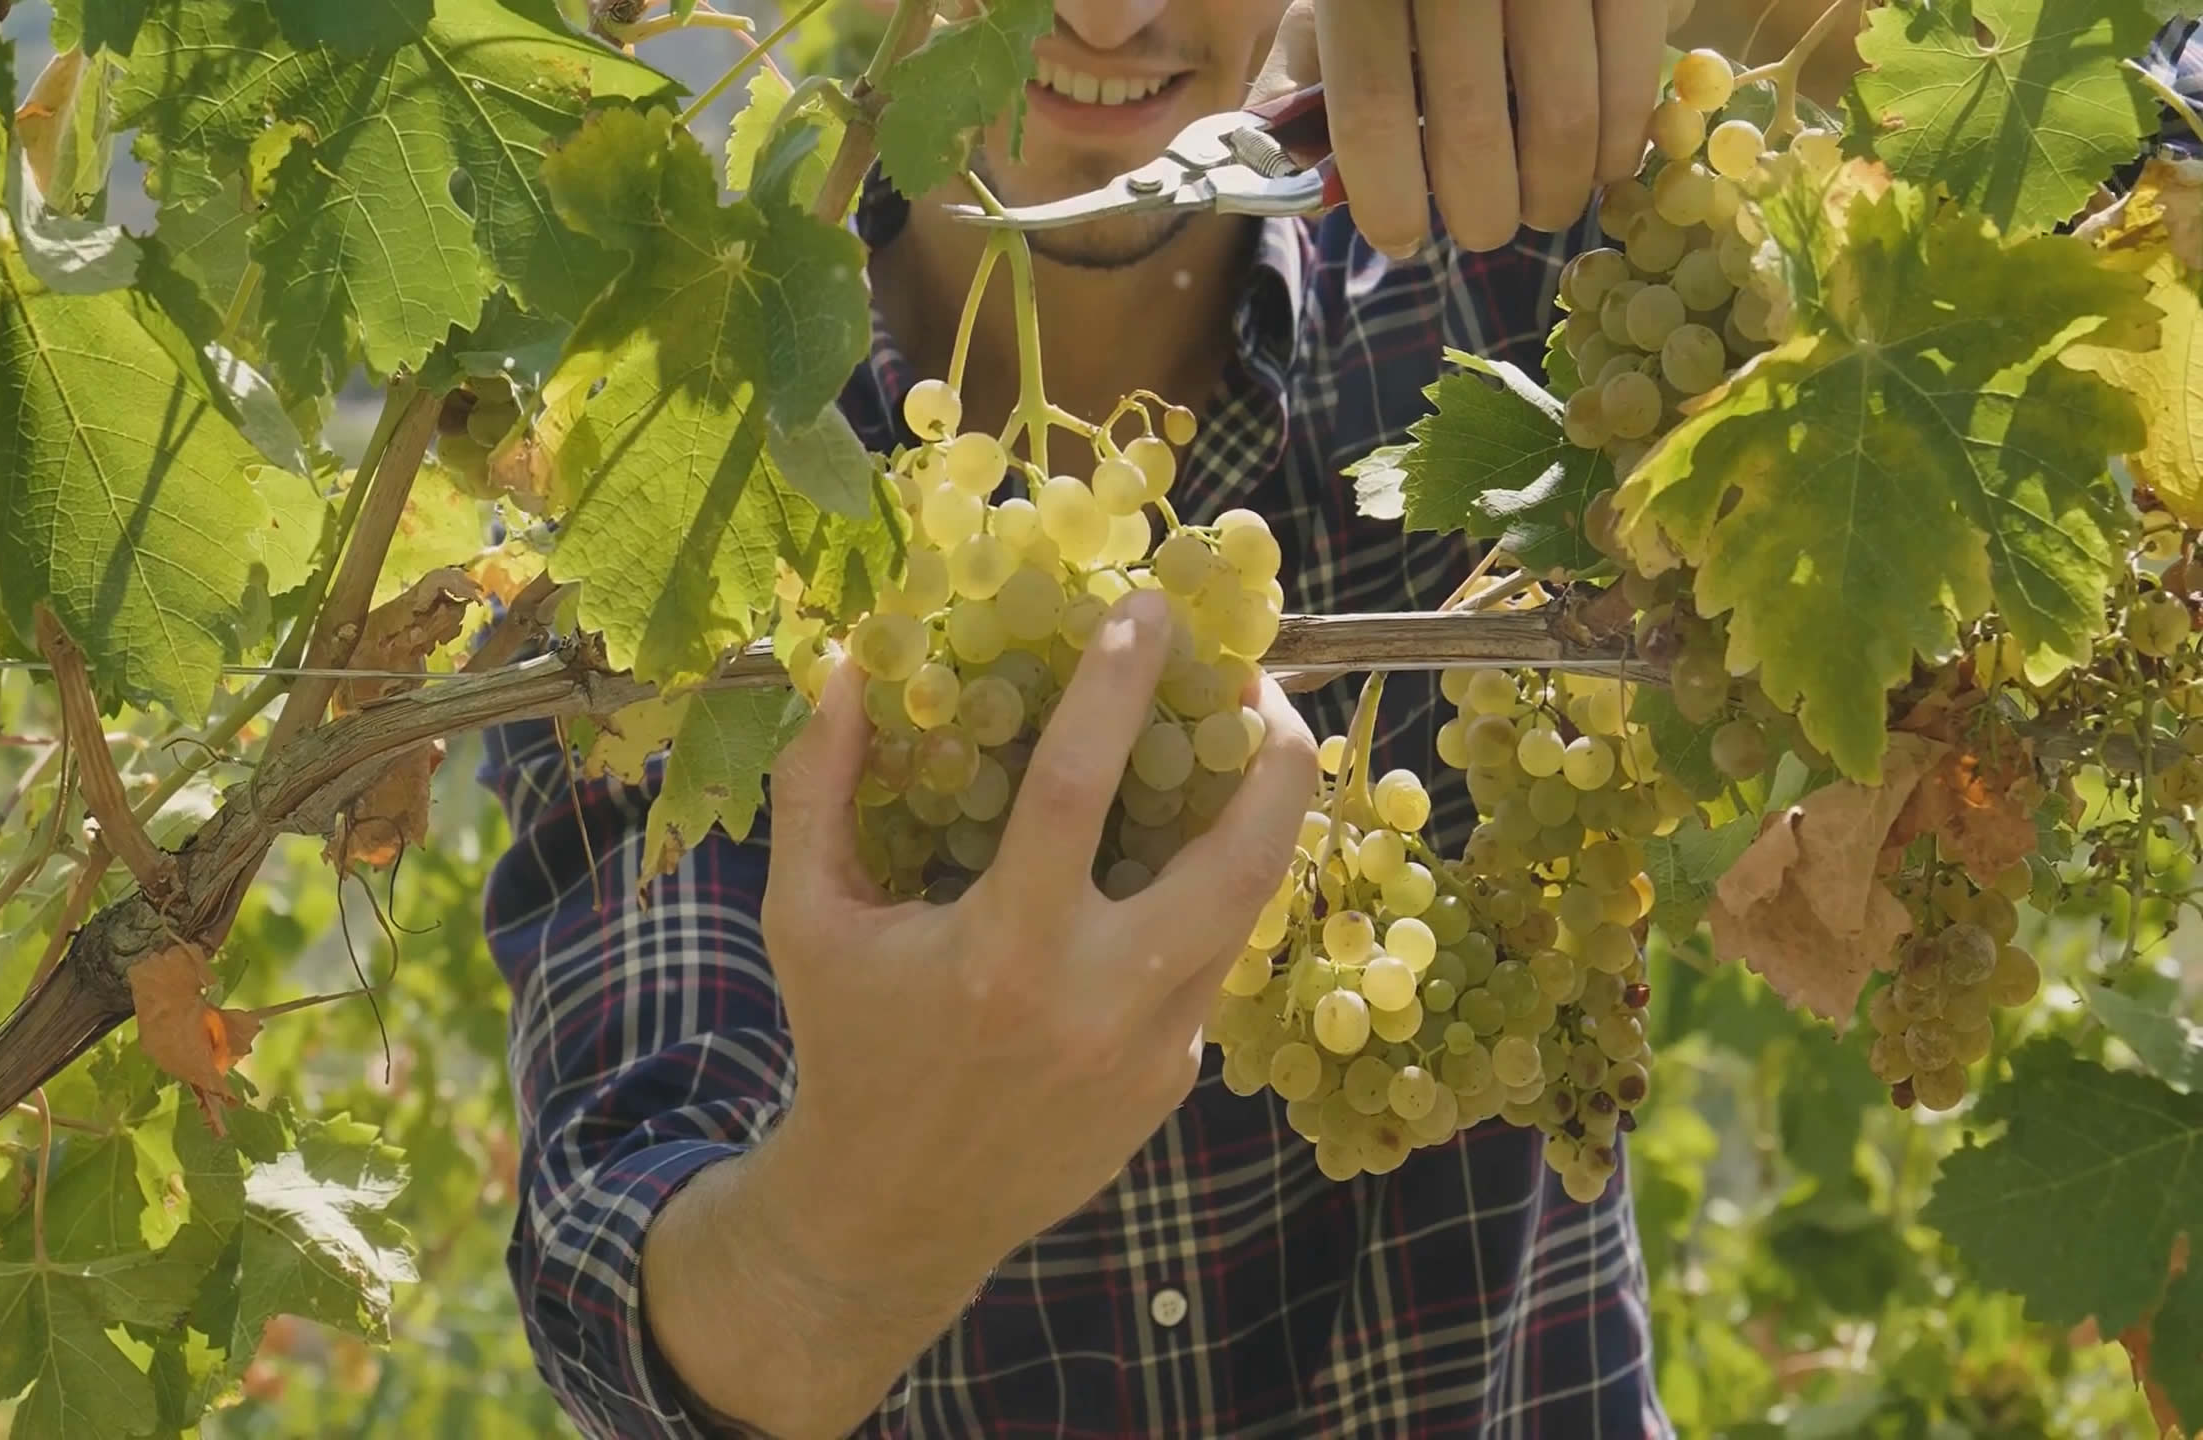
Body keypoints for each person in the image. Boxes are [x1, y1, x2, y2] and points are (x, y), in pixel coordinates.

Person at [476, 2, 2173, 1434]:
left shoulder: (1530, 274)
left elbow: (2117, 138)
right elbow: (618, 1242)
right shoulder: (670, 505)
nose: (1114, 10)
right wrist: (845, 1239)